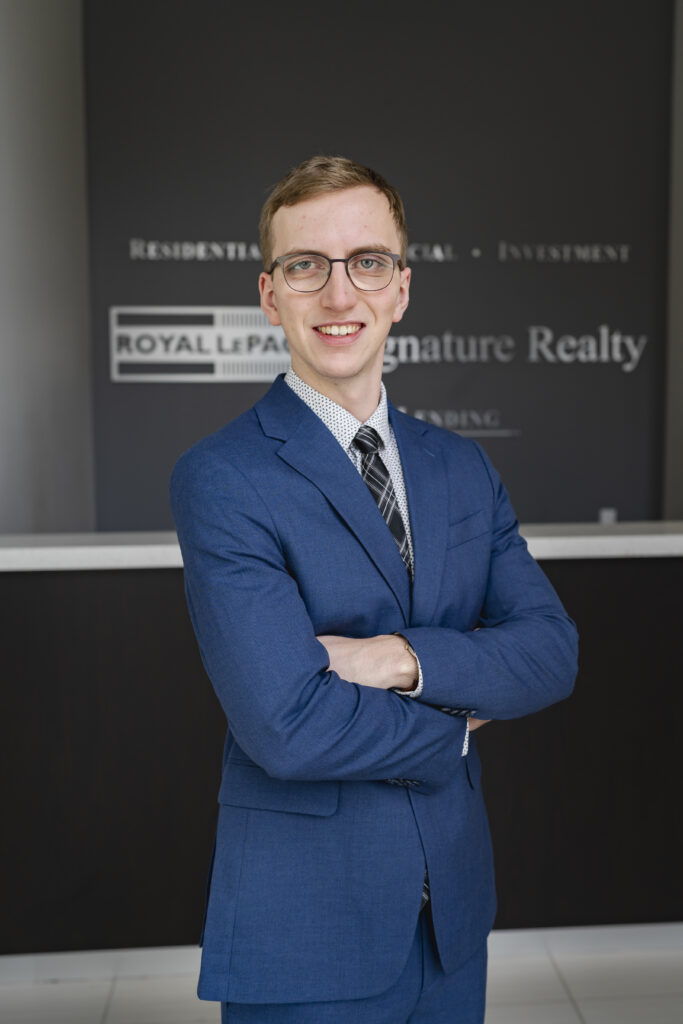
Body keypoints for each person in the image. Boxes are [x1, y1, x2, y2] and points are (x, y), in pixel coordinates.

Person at [170, 155, 578, 1023]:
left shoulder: (461, 468)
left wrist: (395, 660)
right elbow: (284, 725)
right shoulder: (222, 476)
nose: (338, 294)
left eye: (368, 262)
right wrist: (457, 725)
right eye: (304, 266)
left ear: (400, 289)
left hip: (451, 917)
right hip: (306, 925)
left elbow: (549, 650)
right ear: (270, 294)